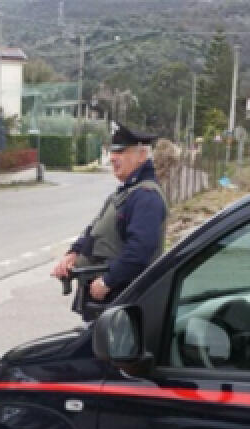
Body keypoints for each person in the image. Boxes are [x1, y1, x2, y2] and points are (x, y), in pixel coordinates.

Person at [51, 121, 168, 311]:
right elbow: (95, 230)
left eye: (121, 152)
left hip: (124, 302)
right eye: (112, 152)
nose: (113, 158)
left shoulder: (146, 196)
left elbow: (140, 251)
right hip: (107, 303)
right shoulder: (126, 192)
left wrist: (108, 281)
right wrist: (73, 253)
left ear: (142, 155)